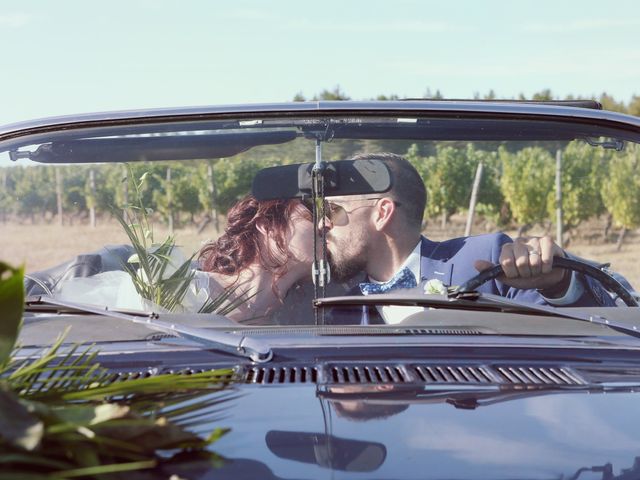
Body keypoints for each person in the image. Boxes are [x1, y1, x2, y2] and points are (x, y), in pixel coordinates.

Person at [319, 152, 616, 325]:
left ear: (382, 213)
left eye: (334, 210)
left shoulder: (486, 260)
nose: (323, 223)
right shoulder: (333, 303)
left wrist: (559, 284)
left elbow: (583, 341)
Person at [198, 195, 317, 322]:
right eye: (308, 218)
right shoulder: (193, 289)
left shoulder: (311, 316)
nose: (326, 224)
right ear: (267, 227)